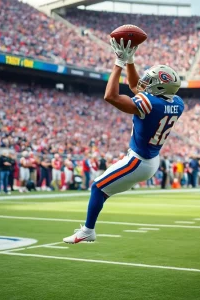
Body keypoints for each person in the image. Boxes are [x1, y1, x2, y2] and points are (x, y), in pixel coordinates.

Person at [63, 38, 184, 243]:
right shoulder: (177, 103)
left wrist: (119, 62)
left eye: (151, 81)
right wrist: (130, 61)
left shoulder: (150, 104)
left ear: (160, 89)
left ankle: (88, 231)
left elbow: (110, 96)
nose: (146, 82)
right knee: (104, 191)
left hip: (138, 161)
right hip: (149, 160)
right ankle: (88, 228)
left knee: (97, 187)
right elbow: (137, 86)